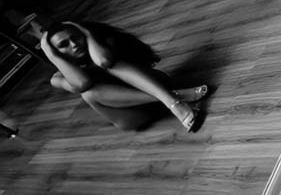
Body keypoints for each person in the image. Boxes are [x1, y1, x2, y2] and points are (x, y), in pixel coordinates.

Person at [41, 21, 207, 131]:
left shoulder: (104, 42)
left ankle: (173, 102)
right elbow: (81, 83)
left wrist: (88, 34)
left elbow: (104, 61)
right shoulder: (57, 77)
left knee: (111, 65)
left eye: (75, 37)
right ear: (57, 53)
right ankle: (175, 98)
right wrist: (51, 56)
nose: (74, 45)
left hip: (160, 85)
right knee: (89, 93)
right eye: (63, 45)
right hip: (135, 115)